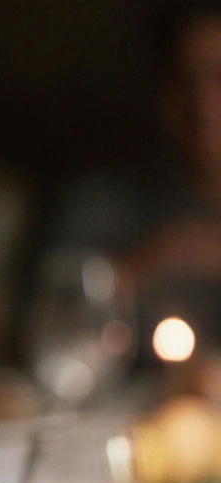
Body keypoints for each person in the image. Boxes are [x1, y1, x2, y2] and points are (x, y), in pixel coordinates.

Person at [46, 0, 221, 353]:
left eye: (219, 77)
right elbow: (44, 334)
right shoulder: (102, 204)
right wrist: (151, 260)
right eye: (183, 80)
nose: (202, 103)